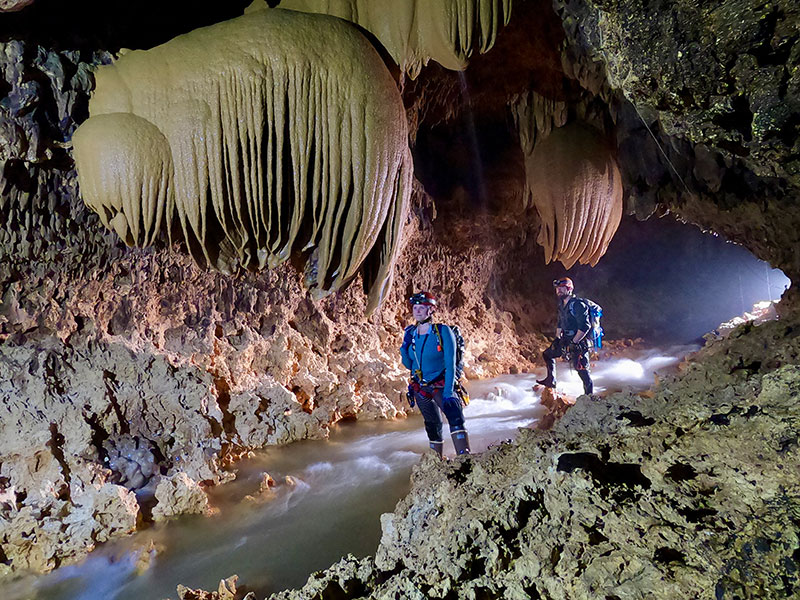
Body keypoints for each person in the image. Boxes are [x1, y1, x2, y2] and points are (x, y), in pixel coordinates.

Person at [400, 291, 470, 457]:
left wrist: (448, 391)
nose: (417, 311)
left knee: (455, 417)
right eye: (415, 308)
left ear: (430, 310)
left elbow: (451, 362)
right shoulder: (412, 334)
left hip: (441, 384)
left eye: (421, 308)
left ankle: (464, 457)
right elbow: (408, 364)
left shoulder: (442, 331)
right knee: (432, 424)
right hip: (421, 387)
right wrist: (404, 346)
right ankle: (436, 461)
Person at [536, 277, 594, 395]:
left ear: (569, 289)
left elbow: (585, 326)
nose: (559, 291)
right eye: (558, 289)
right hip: (566, 339)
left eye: (562, 288)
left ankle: (589, 398)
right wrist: (558, 337)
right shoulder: (562, 305)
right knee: (547, 354)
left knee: (582, 371)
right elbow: (560, 321)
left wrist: (574, 342)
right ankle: (551, 380)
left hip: (579, 342)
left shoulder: (578, 305)